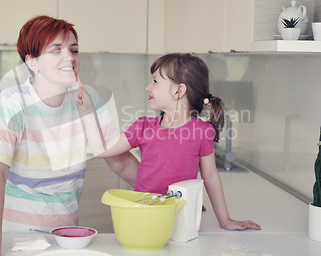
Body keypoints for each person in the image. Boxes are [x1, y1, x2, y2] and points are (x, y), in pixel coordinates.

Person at [0, 15, 139, 256]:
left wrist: (166, 196)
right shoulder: (12, 102)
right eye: (56, 50)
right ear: (32, 62)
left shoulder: (91, 99)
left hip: (65, 236)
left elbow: (121, 160)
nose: (70, 57)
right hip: (12, 239)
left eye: (74, 49)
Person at [81, 53, 261, 231]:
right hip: (146, 215)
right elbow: (101, 149)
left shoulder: (202, 131)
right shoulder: (143, 127)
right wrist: (89, 109)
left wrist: (225, 220)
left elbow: (210, 176)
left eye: (155, 81)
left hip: (181, 217)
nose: (148, 87)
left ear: (179, 91)